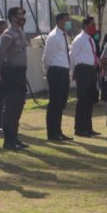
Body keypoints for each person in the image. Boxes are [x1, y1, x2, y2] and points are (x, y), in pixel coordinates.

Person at [0, 6, 29, 150]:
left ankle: (15, 138)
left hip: (21, 73)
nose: (22, 18)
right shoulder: (8, 34)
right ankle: (8, 140)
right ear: (12, 17)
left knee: (18, 107)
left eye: (23, 15)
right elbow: (1, 56)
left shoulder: (21, 33)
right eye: (19, 15)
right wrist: (1, 74)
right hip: (11, 74)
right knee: (10, 108)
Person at [40, 12, 74, 142]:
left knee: (61, 103)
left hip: (64, 71)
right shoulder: (54, 36)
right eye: (67, 20)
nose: (69, 22)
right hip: (56, 71)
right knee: (54, 103)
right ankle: (52, 133)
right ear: (60, 21)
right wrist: (47, 71)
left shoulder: (64, 35)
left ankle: (58, 131)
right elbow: (46, 56)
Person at [71, 16, 100, 136]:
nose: (94, 27)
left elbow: (93, 54)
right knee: (82, 100)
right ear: (85, 25)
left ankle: (88, 127)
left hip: (91, 70)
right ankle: (79, 128)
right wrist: (72, 72)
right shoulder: (79, 39)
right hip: (82, 70)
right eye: (92, 24)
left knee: (89, 100)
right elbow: (73, 56)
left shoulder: (90, 39)